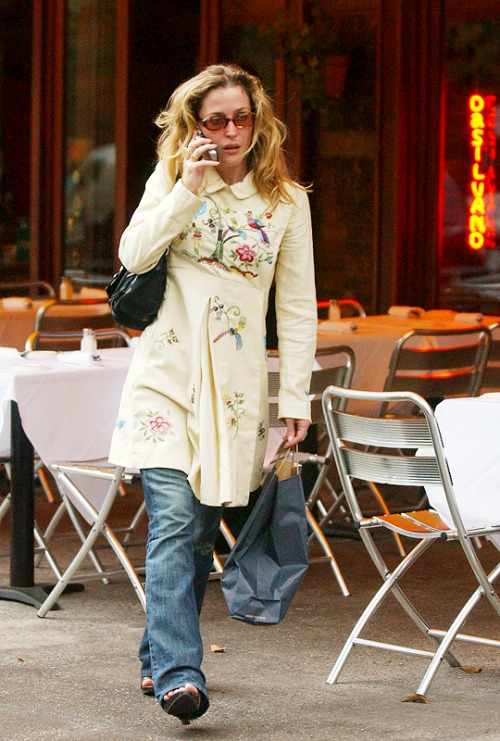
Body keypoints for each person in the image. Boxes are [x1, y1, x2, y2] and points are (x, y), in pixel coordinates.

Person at [108, 63, 317, 725]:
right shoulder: (175, 178)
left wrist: (295, 402)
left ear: (259, 124)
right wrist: (186, 189)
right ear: (194, 126)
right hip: (165, 377)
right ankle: (179, 673)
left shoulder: (286, 201)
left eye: (240, 118)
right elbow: (135, 253)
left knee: (199, 530)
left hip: (234, 391)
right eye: (215, 120)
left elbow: (300, 309)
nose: (229, 131)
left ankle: (156, 651)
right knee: (172, 519)